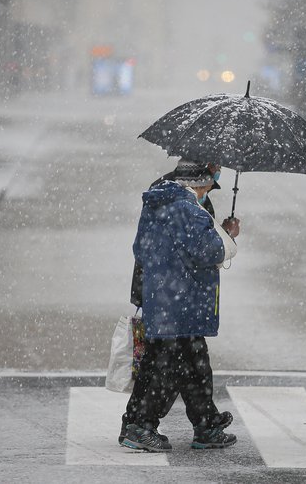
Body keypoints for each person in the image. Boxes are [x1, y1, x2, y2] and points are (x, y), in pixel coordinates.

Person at [121, 161, 239, 452]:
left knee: (191, 361)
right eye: (213, 178)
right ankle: (141, 426)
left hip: (169, 295)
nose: (213, 184)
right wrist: (227, 234)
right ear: (202, 179)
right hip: (179, 298)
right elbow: (208, 250)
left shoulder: (165, 199)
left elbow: (143, 247)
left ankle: (205, 423)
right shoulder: (184, 207)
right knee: (168, 365)